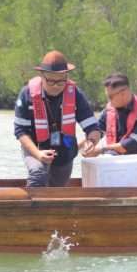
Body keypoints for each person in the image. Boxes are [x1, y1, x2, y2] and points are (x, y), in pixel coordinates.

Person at [14, 51, 101, 187]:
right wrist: (37, 153)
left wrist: (91, 141)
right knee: (38, 173)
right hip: (35, 148)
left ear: (66, 77)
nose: (56, 85)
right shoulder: (26, 94)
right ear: (42, 76)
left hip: (65, 151)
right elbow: (20, 131)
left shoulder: (75, 93)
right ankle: (31, 208)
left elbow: (93, 128)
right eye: (51, 81)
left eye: (61, 81)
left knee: (57, 190)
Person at [81, 72, 137, 157]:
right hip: (113, 159)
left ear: (124, 93)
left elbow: (131, 144)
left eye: (110, 97)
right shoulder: (109, 110)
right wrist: (88, 144)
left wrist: (101, 150)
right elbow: (97, 131)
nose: (109, 101)